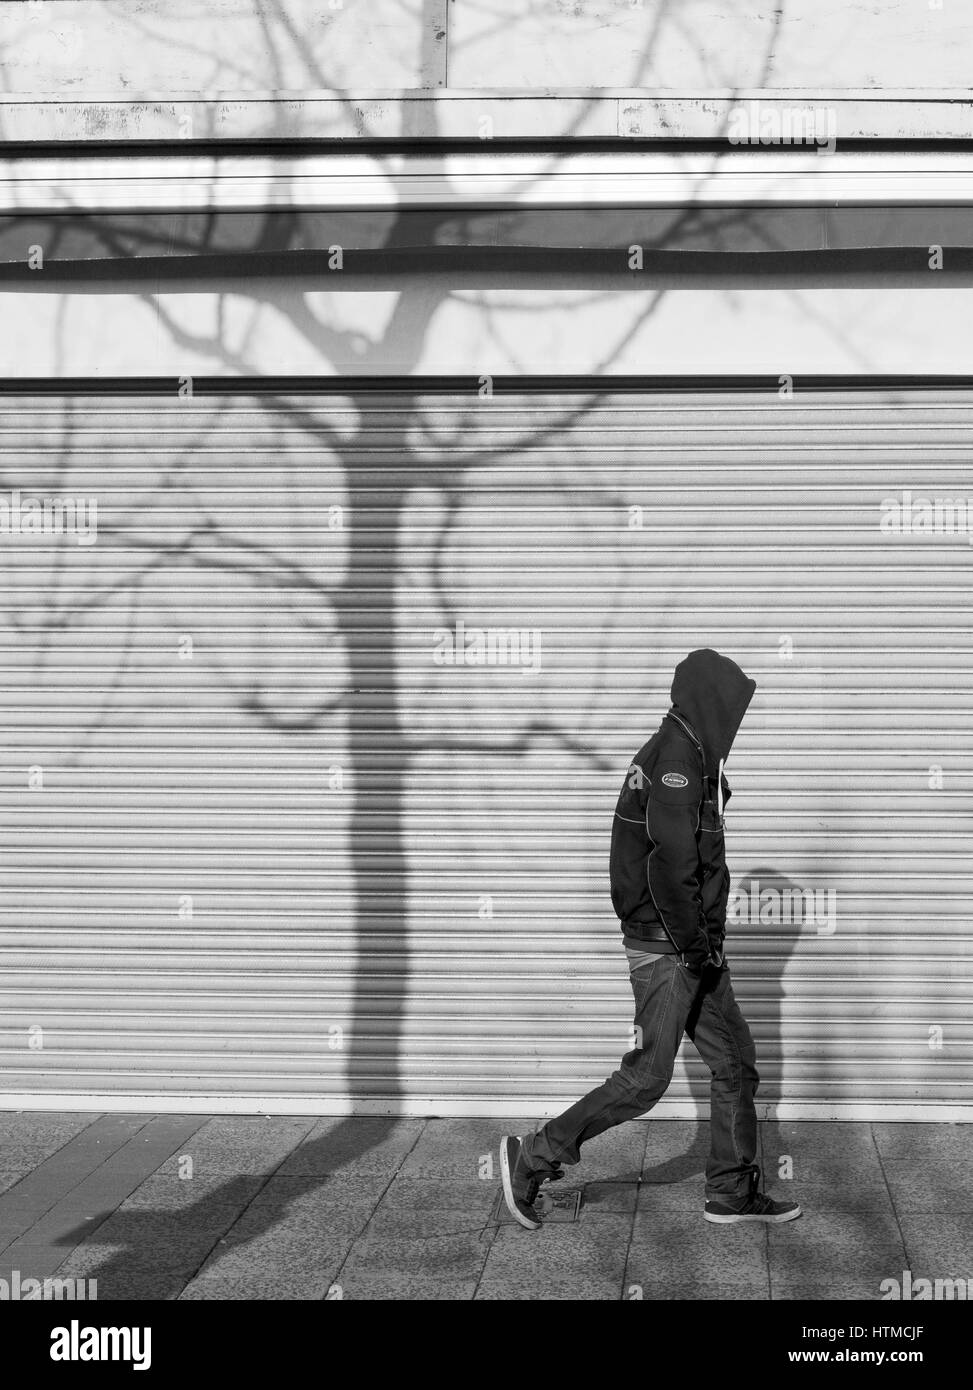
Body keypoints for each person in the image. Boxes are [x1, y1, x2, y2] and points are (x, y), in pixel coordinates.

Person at [500, 648, 801, 1229]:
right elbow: (671, 868)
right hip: (671, 949)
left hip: (690, 946)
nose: (736, 722)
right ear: (710, 703)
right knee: (644, 1079)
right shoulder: (677, 763)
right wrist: (695, 949)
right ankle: (533, 1158)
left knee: (735, 1063)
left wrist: (704, 947)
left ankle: (731, 1192)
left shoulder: (690, 756)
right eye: (732, 708)